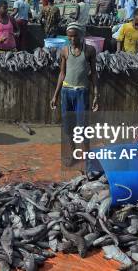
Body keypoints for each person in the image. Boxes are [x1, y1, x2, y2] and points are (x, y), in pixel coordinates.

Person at [50, 22, 99, 167]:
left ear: (81, 35)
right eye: (69, 37)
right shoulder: (65, 51)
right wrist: (55, 95)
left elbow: (94, 73)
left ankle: (88, 156)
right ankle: (73, 155)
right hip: (66, 92)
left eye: (74, 36)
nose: (72, 39)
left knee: (83, 127)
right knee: (68, 127)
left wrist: (96, 93)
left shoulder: (89, 50)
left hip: (82, 92)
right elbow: (62, 73)